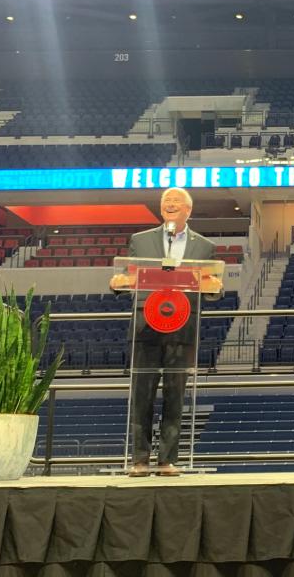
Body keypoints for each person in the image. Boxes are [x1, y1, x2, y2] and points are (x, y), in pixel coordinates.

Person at [109, 187, 222, 476]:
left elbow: (210, 285)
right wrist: (118, 282)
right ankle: (140, 460)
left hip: (182, 328)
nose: (170, 204)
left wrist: (215, 288)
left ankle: (167, 460)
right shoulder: (140, 240)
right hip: (146, 325)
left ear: (189, 211)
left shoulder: (204, 246)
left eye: (177, 202)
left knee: (175, 396)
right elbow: (130, 276)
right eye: (166, 201)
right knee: (142, 395)